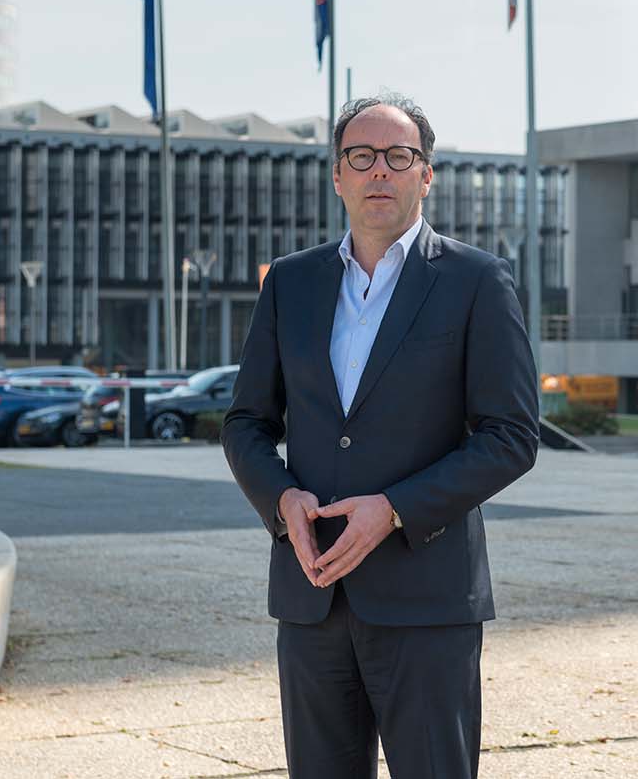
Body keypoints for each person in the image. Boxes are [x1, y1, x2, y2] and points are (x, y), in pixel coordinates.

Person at [223, 93, 539, 779]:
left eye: (399, 156)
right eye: (361, 156)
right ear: (337, 175)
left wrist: (394, 509)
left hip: (426, 600)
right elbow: (246, 422)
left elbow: (512, 435)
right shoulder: (290, 282)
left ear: (426, 175)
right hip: (312, 597)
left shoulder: (477, 281)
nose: (379, 171)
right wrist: (280, 501)